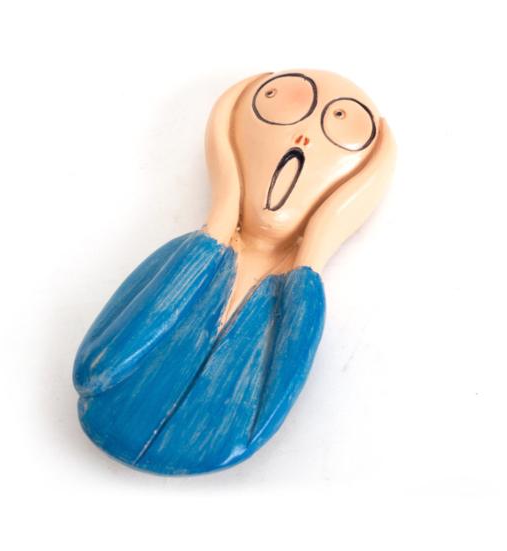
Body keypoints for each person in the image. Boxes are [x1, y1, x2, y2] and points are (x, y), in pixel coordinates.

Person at [73, 70, 396, 475]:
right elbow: (95, 367)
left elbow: (259, 417)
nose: (303, 138)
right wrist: (219, 224)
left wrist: (312, 253)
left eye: (341, 123)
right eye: (281, 103)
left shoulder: (300, 298)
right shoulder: (189, 255)